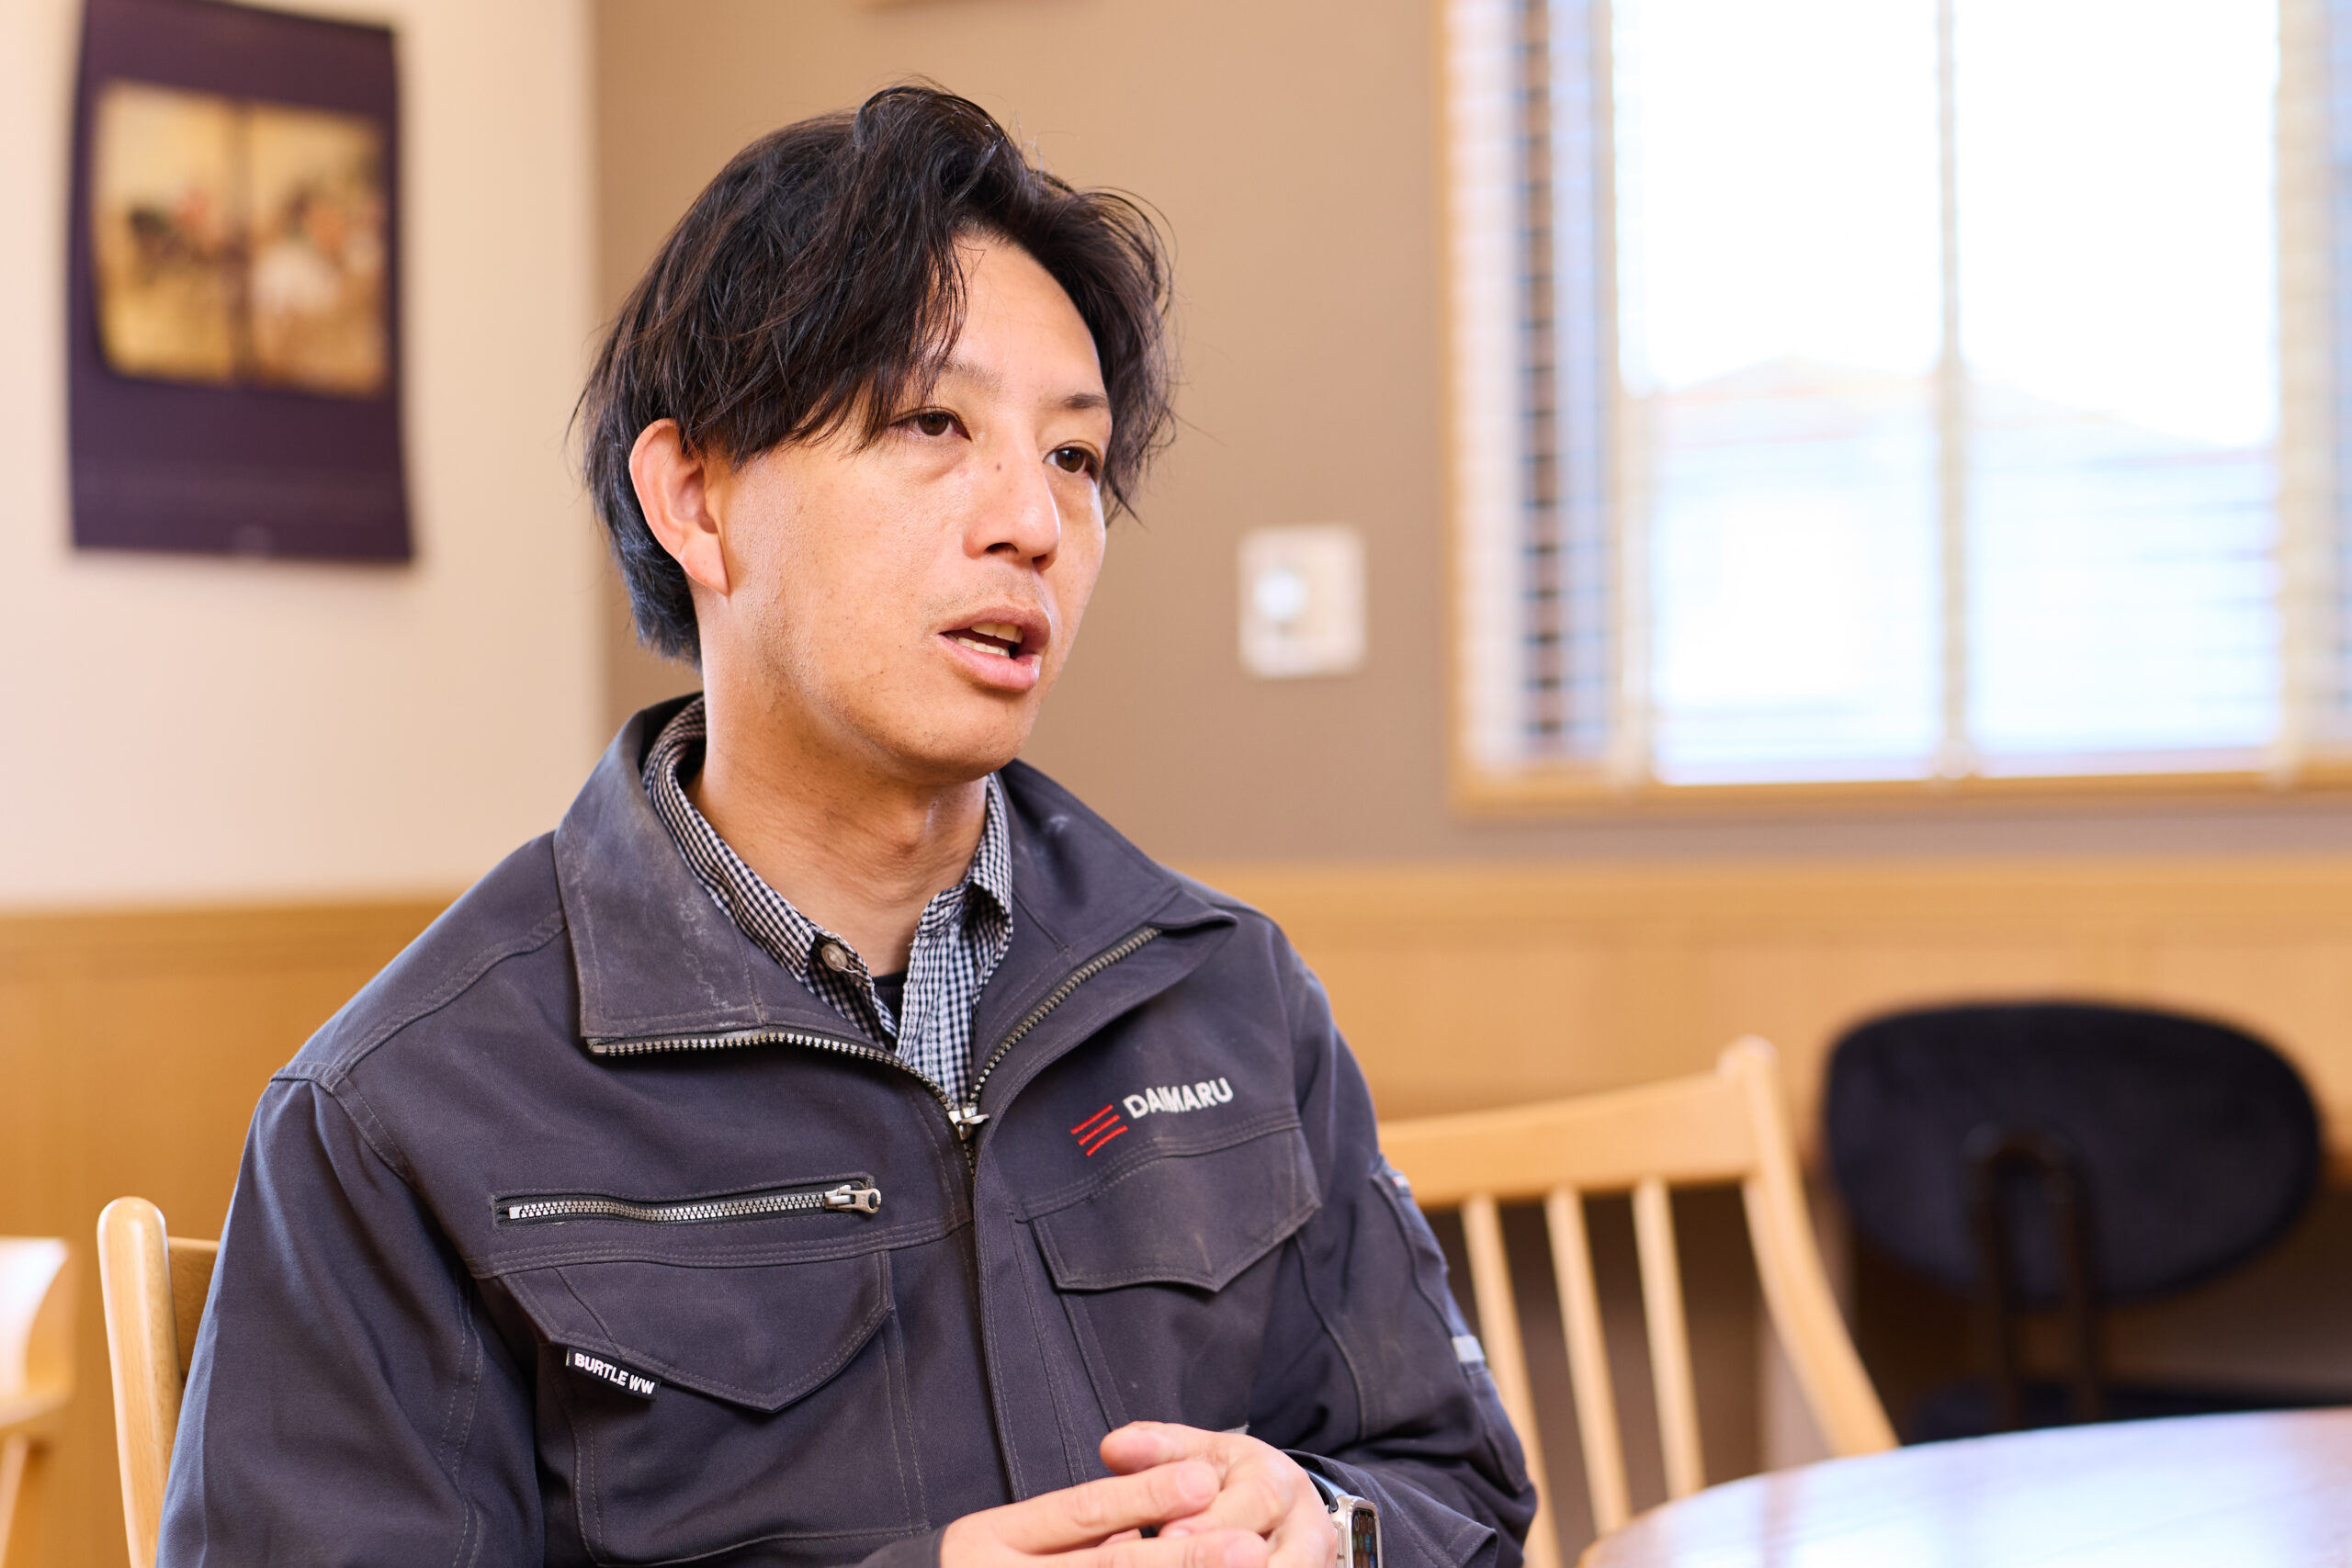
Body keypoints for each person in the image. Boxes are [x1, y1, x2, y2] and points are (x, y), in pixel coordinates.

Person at [159, 86, 1539, 1568]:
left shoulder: (1227, 995)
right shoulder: (400, 1110)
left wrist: (1330, 1528)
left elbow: (1459, 1492)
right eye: (933, 423)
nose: (1033, 523)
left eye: (1074, 459)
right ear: (696, 500)